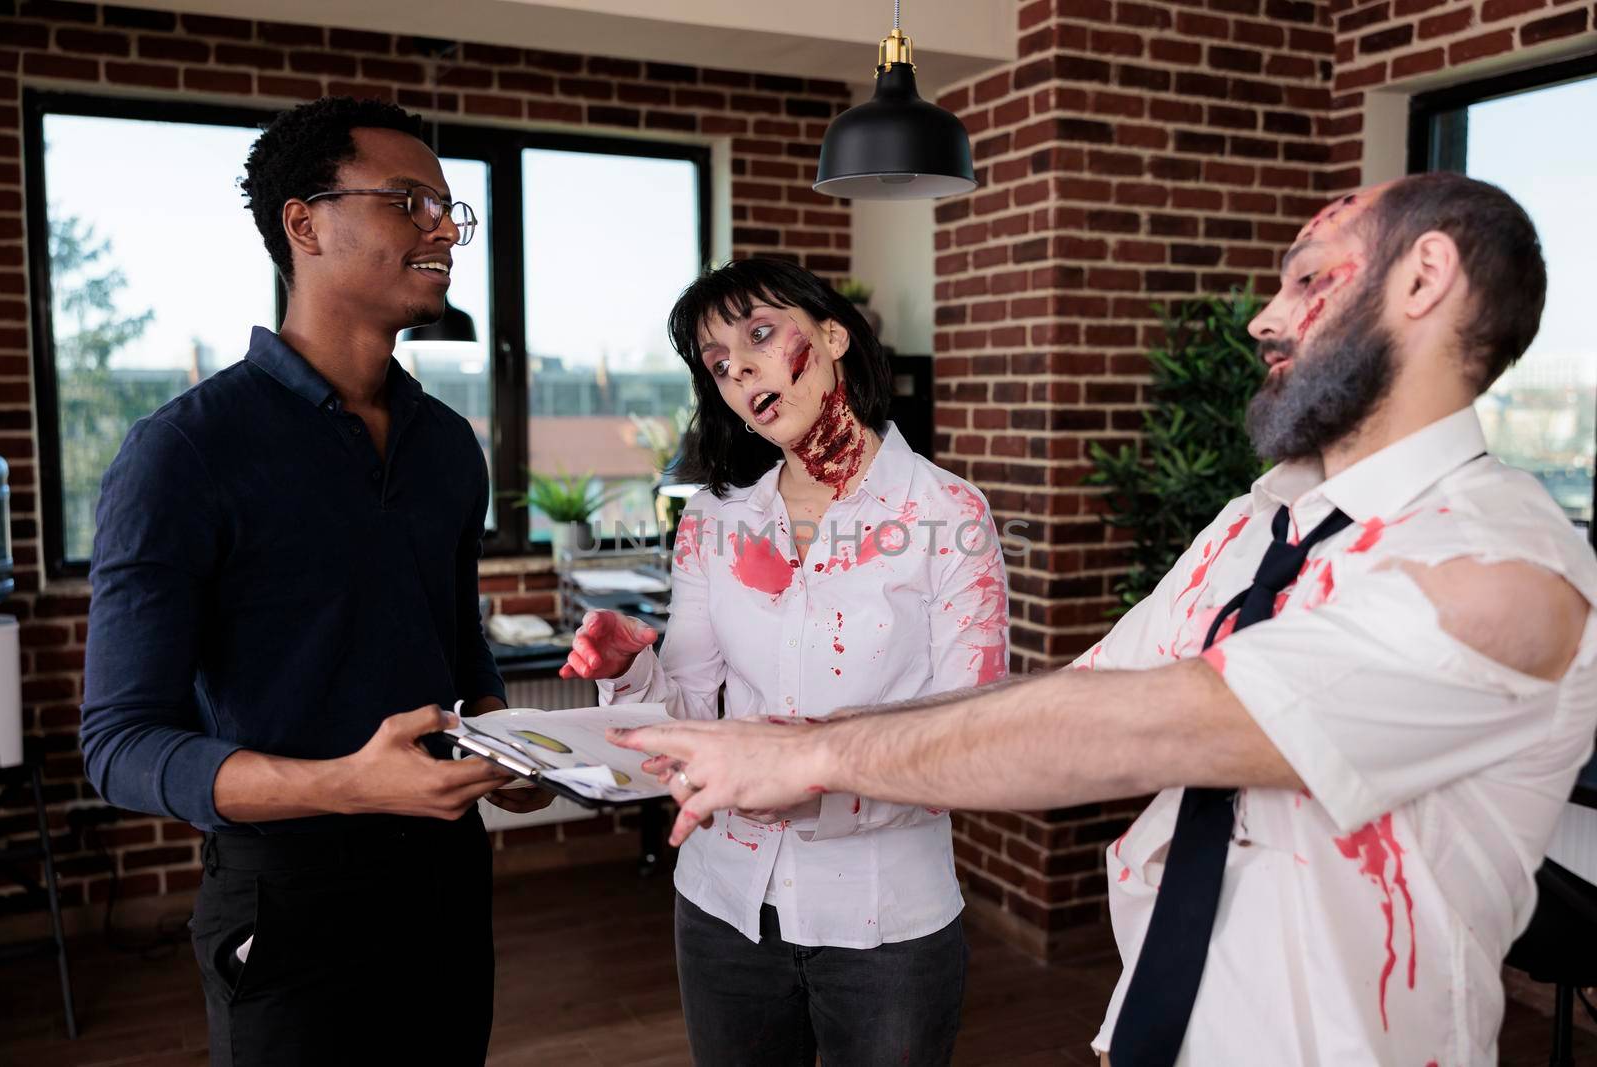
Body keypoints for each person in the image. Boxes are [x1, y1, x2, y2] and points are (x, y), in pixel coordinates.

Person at [609, 173, 1597, 1066]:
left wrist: (804, 757)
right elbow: (1063, 695)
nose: (1263, 318)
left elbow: (1159, 721)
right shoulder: (1257, 522)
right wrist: (776, 742)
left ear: (1424, 276)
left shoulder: (1507, 567)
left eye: (1304, 281)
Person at [80, 97, 543, 1067]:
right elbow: (120, 744)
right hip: (289, 898)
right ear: (304, 223)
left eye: (450, 210)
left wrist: (514, 741)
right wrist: (343, 783)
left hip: (448, 880)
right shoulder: (181, 454)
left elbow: (455, 645)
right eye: (410, 200)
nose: (443, 230)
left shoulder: (450, 447)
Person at [558, 259, 1010, 1065]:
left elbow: (967, 742)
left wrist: (807, 777)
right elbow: (691, 715)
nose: (740, 370)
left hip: (887, 923)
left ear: (833, 337)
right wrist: (631, 671)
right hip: (723, 903)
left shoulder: (948, 514)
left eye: (760, 334)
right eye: (718, 361)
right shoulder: (715, 517)